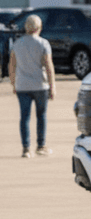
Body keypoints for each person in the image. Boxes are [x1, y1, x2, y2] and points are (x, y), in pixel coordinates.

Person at [9, 14, 56, 158]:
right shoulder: (43, 44)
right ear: (38, 28)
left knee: (24, 117)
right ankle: (41, 146)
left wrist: (13, 83)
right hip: (40, 85)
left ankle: (26, 149)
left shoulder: (17, 44)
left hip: (22, 85)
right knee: (41, 115)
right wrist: (52, 84)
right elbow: (48, 65)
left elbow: (12, 65)